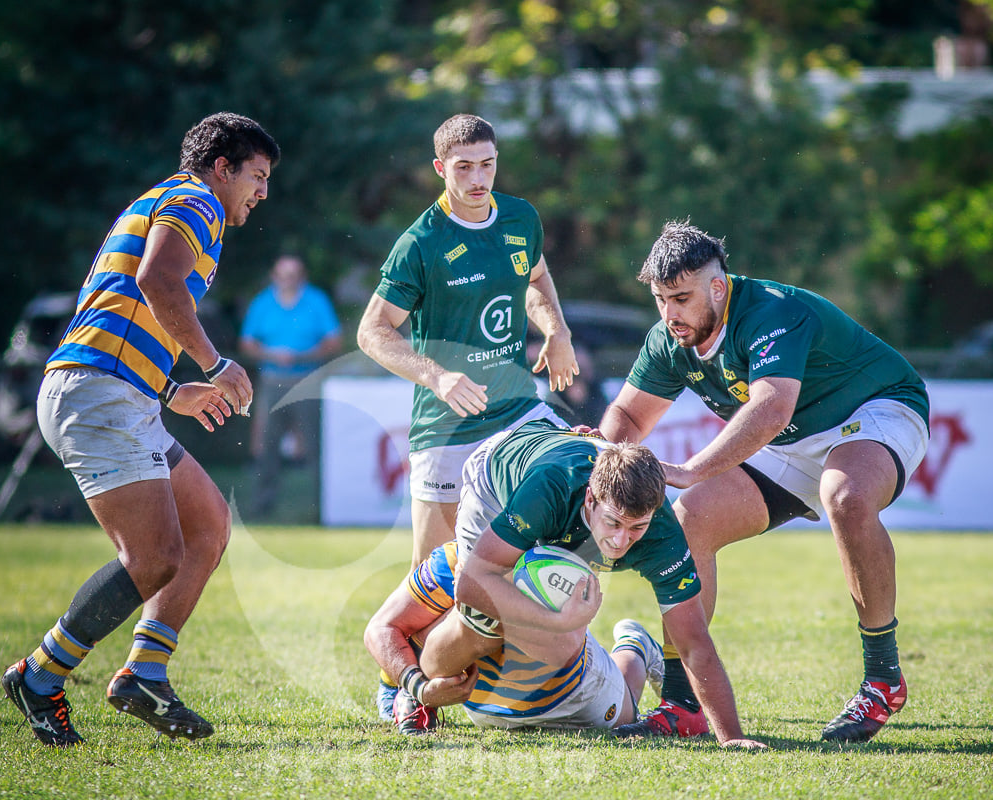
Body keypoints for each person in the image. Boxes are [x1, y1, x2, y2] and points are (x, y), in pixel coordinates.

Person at [1, 112, 280, 747]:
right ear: (222, 168)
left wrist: (173, 390)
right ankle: (40, 674)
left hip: (121, 393)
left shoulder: (176, 200)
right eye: (258, 176)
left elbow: (125, 305)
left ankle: (144, 674)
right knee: (154, 558)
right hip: (98, 396)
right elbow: (156, 281)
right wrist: (214, 364)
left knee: (208, 524)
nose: (262, 192)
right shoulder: (196, 200)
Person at [599, 220, 929, 743]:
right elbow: (629, 417)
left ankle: (883, 678)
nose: (669, 314)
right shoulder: (668, 339)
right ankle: (682, 704)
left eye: (681, 299)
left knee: (845, 496)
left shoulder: (772, 310)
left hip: (875, 408)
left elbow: (772, 409)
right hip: (791, 438)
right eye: (660, 300)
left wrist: (690, 470)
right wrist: (605, 460)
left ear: (718, 286)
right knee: (690, 519)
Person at [356, 113, 578, 719]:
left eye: (487, 164)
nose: (478, 179)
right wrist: (437, 375)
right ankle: (398, 688)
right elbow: (372, 332)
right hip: (447, 426)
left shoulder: (520, 218)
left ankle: (547, 671)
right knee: (432, 577)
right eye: (464, 168)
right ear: (440, 170)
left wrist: (556, 330)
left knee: (543, 543)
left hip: (518, 413)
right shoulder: (420, 243)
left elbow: (536, 279)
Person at [410, 419, 765, 748]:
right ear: (591, 499)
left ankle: (631, 650)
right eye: (614, 523)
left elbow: (694, 642)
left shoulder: (663, 533)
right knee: (481, 616)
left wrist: (731, 738)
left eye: (637, 527)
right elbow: (471, 586)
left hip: (566, 484)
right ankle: (410, 684)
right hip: (498, 479)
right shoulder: (548, 489)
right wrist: (555, 620)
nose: (621, 541)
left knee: (550, 641)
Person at [366, 538, 666, 736]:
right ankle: (412, 695)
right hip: (486, 710)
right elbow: (381, 628)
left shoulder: (556, 557)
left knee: (626, 712)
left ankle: (635, 644)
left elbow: (566, 647)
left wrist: (509, 618)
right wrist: (419, 688)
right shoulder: (454, 559)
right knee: (440, 620)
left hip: (574, 697)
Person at [238, 253, 342, 517]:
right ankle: (262, 506)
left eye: (293, 275)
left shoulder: (317, 300)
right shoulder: (263, 302)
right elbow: (247, 343)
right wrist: (273, 355)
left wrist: (302, 356)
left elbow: (334, 341)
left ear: (302, 277)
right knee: (266, 445)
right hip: (272, 380)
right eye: (283, 275)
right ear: (274, 276)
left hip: (308, 380)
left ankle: (323, 508)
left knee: (315, 445)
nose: (288, 280)